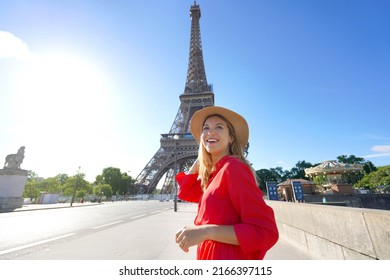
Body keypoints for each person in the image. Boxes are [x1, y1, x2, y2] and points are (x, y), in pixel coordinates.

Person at [175, 106, 279, 260]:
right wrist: (201, 157)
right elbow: (186, 192)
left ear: (231, 138)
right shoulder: (216, 173)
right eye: (206, 128)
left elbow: (266, 231)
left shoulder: (233, 168)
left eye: (219, 127)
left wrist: (205, 231)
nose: (210, 132)